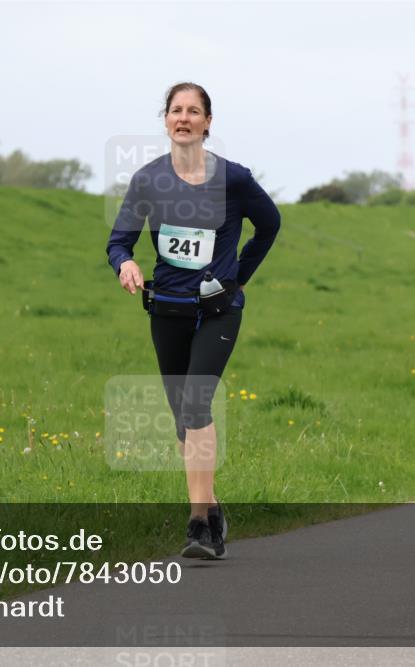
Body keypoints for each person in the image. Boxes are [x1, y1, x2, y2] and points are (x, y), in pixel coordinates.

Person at [106, 82, 280, 558]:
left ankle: (198, 525)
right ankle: (214, 507)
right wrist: (126, 263)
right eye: (176, 110)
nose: (184, 118)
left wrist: (239, 276)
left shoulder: (235, 180)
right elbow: (118, 240)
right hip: (167, 311)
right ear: (165, 120)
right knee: (184, 422)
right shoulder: (147, 180)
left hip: (218, 311)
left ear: (208, 123)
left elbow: (270, 225)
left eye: (194, 111)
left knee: (197, 406)